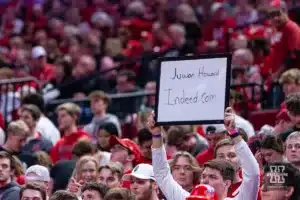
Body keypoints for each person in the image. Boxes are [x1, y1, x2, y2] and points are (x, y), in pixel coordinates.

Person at [147, 107, 260, 200]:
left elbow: (253, 174)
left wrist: (234, 133)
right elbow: (162, 174)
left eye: (212, 177)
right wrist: (156, 134)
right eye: (204, 176)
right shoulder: (188, 198)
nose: (205, 181)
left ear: (227, 183)